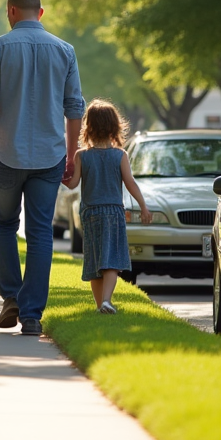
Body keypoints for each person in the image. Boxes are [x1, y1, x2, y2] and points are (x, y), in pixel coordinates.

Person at [0, 0, 84, 335]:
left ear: (11, 11)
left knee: (4, 224)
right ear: (41, 13)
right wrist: (71, 153)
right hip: (50, 155)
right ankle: (32, 314)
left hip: (7, 153)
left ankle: (11, 296)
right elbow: (74, 107)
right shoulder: (65, 50)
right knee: (40, 234)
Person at [63, 99, 151, 313]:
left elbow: (73, 184)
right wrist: (143, 207)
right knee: (111, 259)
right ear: (114, 126)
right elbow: (130, 183)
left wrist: (60, 174)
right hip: (113, 212)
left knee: (94, 259)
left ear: (88, 126)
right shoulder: (120, 155)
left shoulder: (82, 155)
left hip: (90, 213)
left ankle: (99, 304)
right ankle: (106, 301)